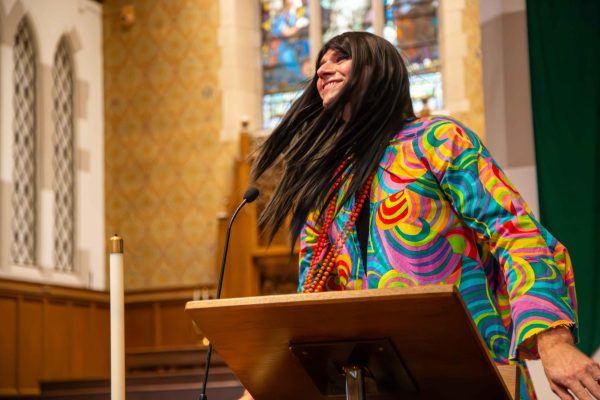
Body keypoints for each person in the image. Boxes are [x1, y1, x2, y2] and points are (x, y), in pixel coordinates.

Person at [251, 31, 600, 399]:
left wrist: (553, 339)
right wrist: (264, 381)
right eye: (321, 64)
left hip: (469, 371)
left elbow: (514, 232)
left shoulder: (436, 140)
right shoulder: (326, 181)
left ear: (379, 69)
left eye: (339, 59)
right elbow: (312, 298)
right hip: (376, 384)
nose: (324, 70)